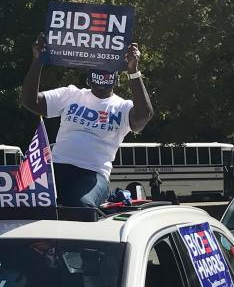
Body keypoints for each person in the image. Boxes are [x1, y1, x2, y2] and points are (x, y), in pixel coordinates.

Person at [20, 34, 154, 207]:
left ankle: (108, 197)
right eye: (97, 71)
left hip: (93, 174)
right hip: (57, 167)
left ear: (116, 78)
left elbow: (144, 115)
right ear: (89, 76)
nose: (102, 76)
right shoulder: (71, 94)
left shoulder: (123, 107)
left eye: (107, 72)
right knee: (23, 199)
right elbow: (30, 101)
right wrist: (38, 59)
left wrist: (133, 71)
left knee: (81, 206)